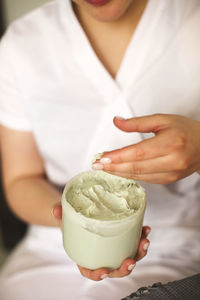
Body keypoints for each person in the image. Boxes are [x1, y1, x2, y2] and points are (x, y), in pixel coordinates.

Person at [0, 0, 200, 299]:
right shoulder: (21, 45)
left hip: (175, 254)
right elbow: (21, 179)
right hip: (49, 253)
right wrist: (77, 224)